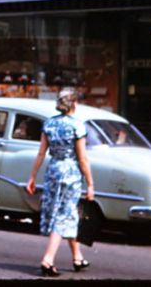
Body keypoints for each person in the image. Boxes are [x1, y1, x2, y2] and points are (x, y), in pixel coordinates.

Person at [26, 87, 95, 277]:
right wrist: (90, 184)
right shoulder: (77, 126)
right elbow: (82, 158)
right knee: (64, 214)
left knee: (68, 212)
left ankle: (77, 257)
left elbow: (41, 153)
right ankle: (48, 259)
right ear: (74, 103)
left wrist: (32, 177)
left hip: (53, 170)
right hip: (70, 173)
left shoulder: (49, 124)